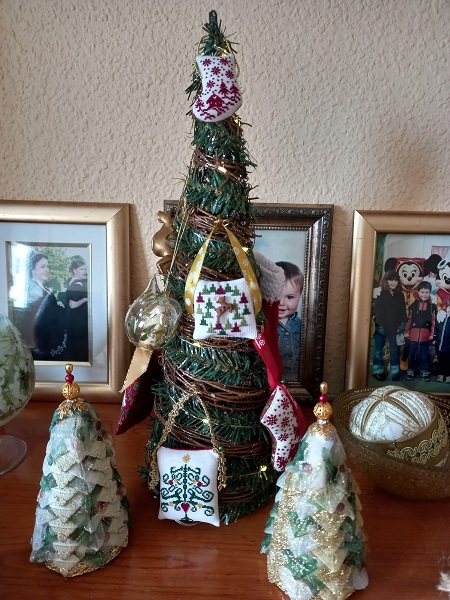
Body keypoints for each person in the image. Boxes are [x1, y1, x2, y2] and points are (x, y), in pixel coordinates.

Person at [23, 252, 67, 360]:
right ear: (32, 270)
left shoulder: (44, 287)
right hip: (39, 343)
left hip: (48, 339)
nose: (47, 270)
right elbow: (34, 318)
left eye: (47, 266)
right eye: (43, 267)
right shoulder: (32, 290)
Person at [372, 270, 407, 381]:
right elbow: (376, 311)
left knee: (394, 351)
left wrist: (402, 324)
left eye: (396, 280)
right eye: (391, 280)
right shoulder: (380, 293)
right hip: (381, 327)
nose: (393, 282)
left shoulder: (400, 295)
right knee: (378, 350)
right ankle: (377, 370)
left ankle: (395, 371)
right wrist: (379, 325)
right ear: (385, 280)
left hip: (395, 328)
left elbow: (403, 311)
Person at [276, 261, 303, 381]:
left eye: (290, 297)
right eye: (276, 296)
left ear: (300, 296)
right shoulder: (262, 326)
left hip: (297, 384)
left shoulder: (303, 326)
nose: (281, 303)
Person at [405, 280, 437, 382]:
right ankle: (411, 369)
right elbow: (409, 319)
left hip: (425, 335)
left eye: (427, 292)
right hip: (413, 334)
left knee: (424, 354)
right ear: (418, 292)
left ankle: (424, 370)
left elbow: (433, 321)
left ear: (430, 293)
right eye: (422, 292)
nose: (424, 294)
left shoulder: (432, 307)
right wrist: (406, 331)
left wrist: (432, 334)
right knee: (411, 353)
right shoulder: (414, 305)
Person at [65, 258, 89, 362]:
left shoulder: (71, 282)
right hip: (78, 322)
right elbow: (73, 304)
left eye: (85, 269)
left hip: (73, 321)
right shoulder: (77, 284)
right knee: (80, 348)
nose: (84, 271)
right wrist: (86, 299)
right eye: (81, 269)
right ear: (75, 270)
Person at [435, 304, 450, 383]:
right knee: (440, 359)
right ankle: (440, 374)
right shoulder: (441, 317)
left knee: (448, 360)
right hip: (439, 343)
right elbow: (436, 328)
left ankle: (448, 375)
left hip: (448, 344)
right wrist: (434, 338)